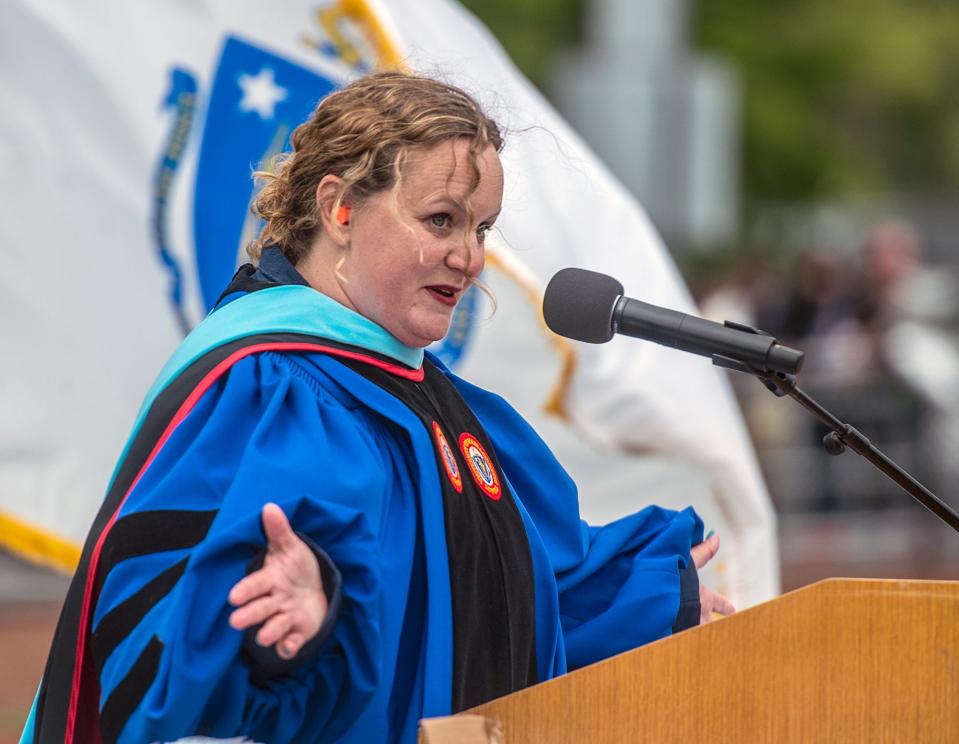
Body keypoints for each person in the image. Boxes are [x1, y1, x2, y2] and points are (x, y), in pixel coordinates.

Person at [23, 72, 733, 744]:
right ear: (339, 209)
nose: (469, 257)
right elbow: (149, 633)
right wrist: (293, 626)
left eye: (480, 229)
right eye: (441, 220)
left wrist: (653, 599)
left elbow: (507, 597)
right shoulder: (269, 387)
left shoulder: (450, 414)